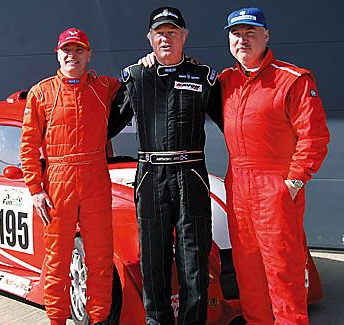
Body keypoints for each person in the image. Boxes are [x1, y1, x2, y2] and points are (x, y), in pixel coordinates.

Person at [109, 7, 223, 325]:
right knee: (153, 257)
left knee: (193, 258)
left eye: (172, 32)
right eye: (160, 33)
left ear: (184, 37)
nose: (166, 38)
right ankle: (157, 321)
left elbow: (237, 124)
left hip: (191, 175)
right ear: (150, 39)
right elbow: (105, 126)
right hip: (151, 177)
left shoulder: (204, 77)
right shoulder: (136, 76)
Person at [219, 7, 330, 325]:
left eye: (250, 33)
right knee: (248, 272)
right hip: (238, 185)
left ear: (266, 36)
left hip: (274, 186)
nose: (242, 40)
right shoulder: (226, 81)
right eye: (236, 34)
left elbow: (315, 136)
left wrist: (293, 183)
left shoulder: (291, 79)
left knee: (283, 272)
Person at [20, 28, 120, 325]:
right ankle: (57, 321)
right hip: (56, 185)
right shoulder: (41, 93)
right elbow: (27, 145)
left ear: (89, 55)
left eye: (78, 50)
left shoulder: (104, 87)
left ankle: (99, 320)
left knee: (101, 259)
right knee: (56, 263)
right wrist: (35, 188)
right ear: (58, 53)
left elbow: (137, 81)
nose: (72, 55)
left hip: (95, 181)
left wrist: (153, 62)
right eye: (67, 50)